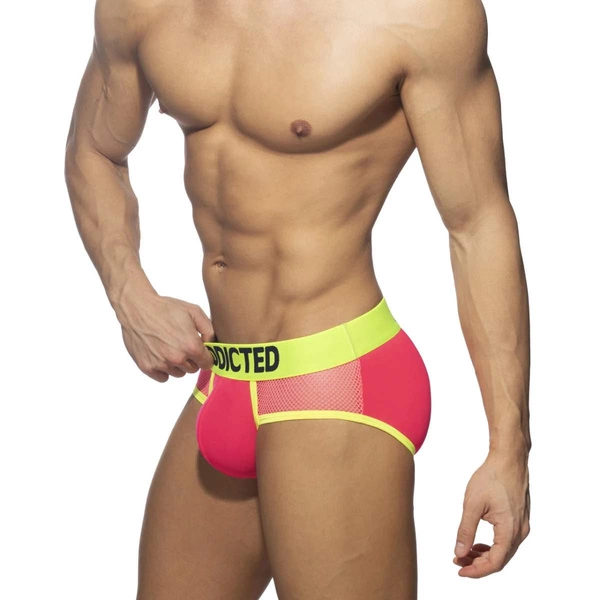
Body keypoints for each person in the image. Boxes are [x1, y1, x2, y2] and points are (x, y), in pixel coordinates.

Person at [64, 0, 531, 597]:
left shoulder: (417, 14)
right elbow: (96, 150)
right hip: (224, 375)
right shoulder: (146, 7)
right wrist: (128, 292)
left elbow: (478, 222)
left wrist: (508, 448)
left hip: (338, 381)